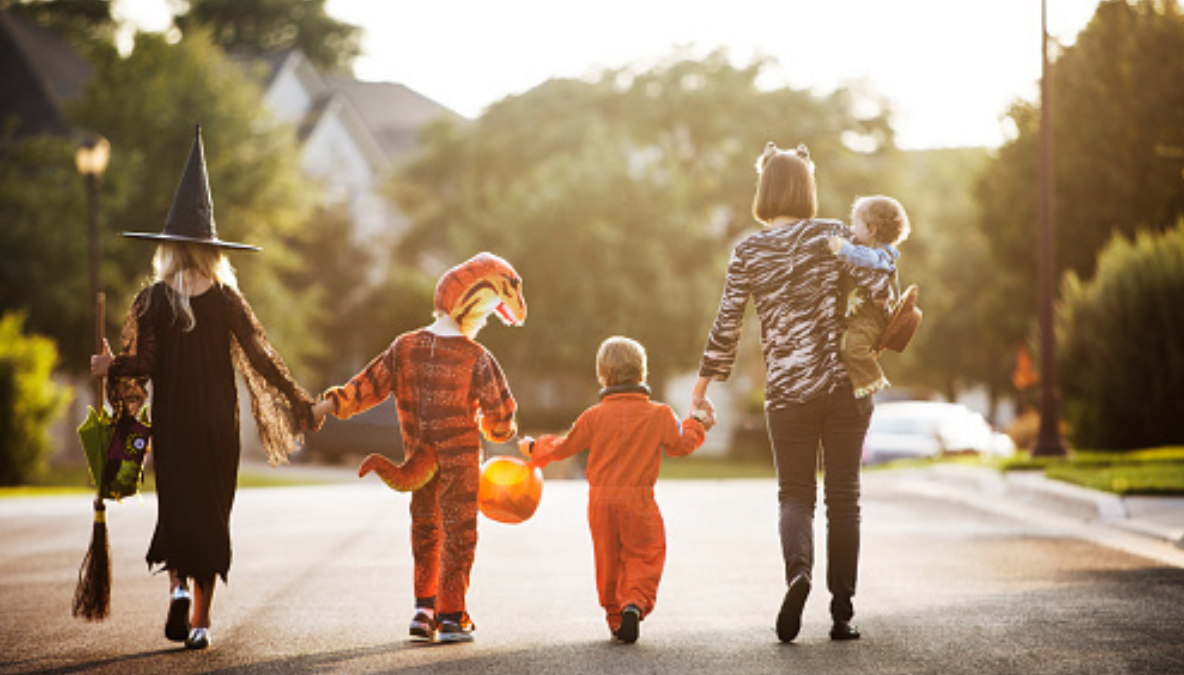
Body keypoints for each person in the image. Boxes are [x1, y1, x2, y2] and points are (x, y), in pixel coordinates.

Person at [90, 127, 317, 650]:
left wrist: (110, 365)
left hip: (174, 424)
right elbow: (261, 357)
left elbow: (142, 365)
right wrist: (300, 401)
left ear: (168, 248)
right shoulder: (228, 298)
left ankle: (175, 591)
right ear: (212, 250)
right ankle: (200, 623)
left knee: (178, 509)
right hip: (218, 423)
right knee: (213, 515)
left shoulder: (152, 299)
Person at [689, 142, 891, 643]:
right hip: (845, 386)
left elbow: (727, 325)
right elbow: (882, 284)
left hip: (787, 392)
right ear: (807, 188)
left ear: (764, 190)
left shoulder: (749, 251)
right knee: (844, 498)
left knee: (795, 495)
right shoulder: (834, 235)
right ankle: (842, 611)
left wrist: (700, 390)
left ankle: (797, 573)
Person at [311, 252, 525, 644]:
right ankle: (451, 616)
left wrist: (324, 406)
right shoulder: (477, 358)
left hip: (418, 458)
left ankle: (423, 610)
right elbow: (501, 420)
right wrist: (499, 432)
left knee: (426, 530)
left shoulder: (404, 346)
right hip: (459, 464)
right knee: (459, 534)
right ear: (476, 307)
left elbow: (366, 385)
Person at [525, 336, 711, 643]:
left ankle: (615, 617)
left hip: (601, 503)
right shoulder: (660, 414)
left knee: (607, 559)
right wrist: (697, 422)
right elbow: (681, 445)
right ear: (642, 373)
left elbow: (563, 447)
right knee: (645, 555)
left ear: (602, 375)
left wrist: (534, 447)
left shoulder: (593, 416)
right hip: (639, 501)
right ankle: (633, 605)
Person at [826, 195, 911, 398]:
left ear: (871, 229)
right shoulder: (868, 253)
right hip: (857, 316)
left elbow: (865, 258)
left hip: (870, 319)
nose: (851, 230)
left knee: (853, 349)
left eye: (854, 225)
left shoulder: (881, 256)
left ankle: (871, 380)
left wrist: (841, 247)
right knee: (845, 345)